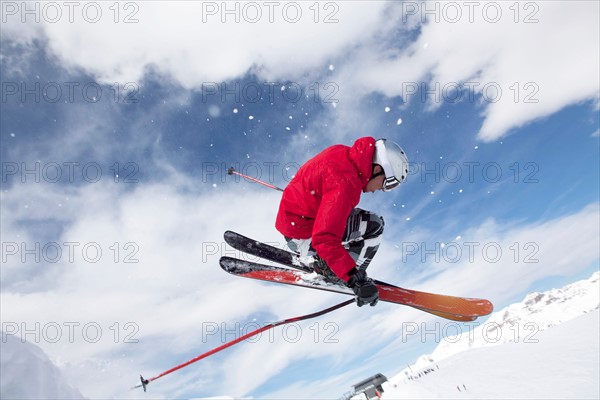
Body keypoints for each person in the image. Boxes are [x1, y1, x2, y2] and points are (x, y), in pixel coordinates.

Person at [275, 136, 409, 306]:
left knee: (355, 221)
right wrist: (354, 279)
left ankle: (331, 263)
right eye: (388, 183)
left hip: (295, 223)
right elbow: (324, 237)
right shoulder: (346, 182)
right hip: (303, 236)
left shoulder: (343, 154)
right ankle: (341, 272)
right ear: (377, 169)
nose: (381, 190)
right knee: (374, 226)